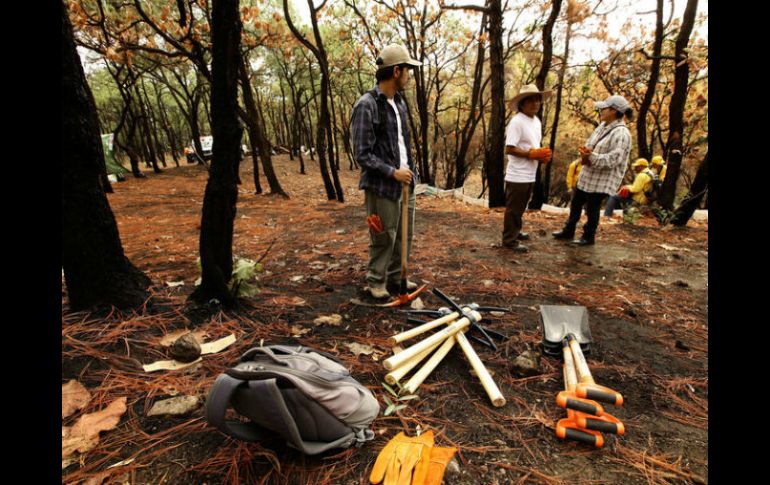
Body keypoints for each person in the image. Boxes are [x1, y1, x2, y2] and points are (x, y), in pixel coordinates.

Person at [351, 44, 421, 299]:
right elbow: (362, 154)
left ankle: (395, 276)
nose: (409, 76)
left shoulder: (399, 102)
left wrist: (409, 173)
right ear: (396, 72)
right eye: (407, 71)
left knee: (403, 235)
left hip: (406, 182)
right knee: (383, 236)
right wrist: (392, 172)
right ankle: (376, 281)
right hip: (382, 185)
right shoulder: (366, 105)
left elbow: (402, 143)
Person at [552, 94, 633, 245]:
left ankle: (588, 236)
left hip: (602, 179)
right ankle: (568, 230)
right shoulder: (602, 126)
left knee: (592, 207)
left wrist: (592, 157)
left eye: (604, 108)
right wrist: (585, 152)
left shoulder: (621, 133)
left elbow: (614, 159)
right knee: (576, 202)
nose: (601, 111)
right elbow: (590, 144)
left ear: (614, 111)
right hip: (588, 174)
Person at [501, 84, 552, 252]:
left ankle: (515, 231)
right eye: (530, 100)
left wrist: (541, 155)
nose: (535, 103)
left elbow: (532, 145)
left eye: (537, 100)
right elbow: (509, 149)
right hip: (517, 174)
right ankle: (509, 240)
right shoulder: (517, 122)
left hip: (530, 172)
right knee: (514, 209)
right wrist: (530, 154)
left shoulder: (536, 121)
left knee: (521, 206)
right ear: (522, 104)